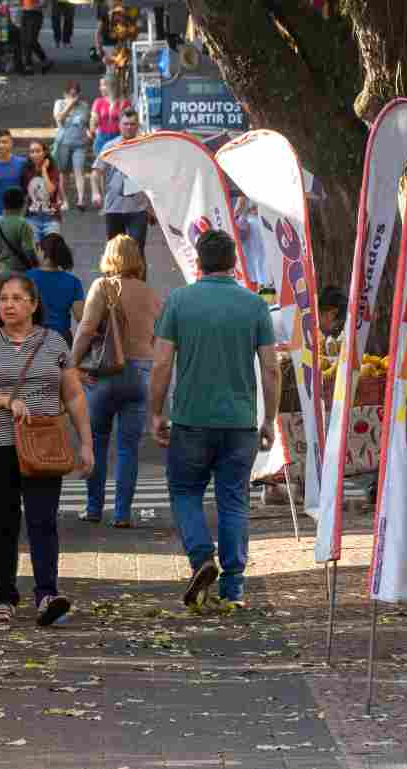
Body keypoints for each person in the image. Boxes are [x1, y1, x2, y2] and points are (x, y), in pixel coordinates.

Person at [149, 230, 279, 607]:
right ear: (234, 262)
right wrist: (268, 418)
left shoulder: (178, 301)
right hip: (240, 422)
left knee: (186, 491)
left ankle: (201, 557)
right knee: (234, 499)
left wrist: (156, 413)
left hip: (191, 419)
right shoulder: (254, 305)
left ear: (198, 262)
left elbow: (160, 364)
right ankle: (234, 587)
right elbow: (271, 367)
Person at [0, 273, 93, 626]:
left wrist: (87, 444)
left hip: (44, 444)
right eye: (4, 298)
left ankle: (47, 593)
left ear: (33, 305)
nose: (9, 304)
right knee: (3, 521)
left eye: (18, 298)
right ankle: (6, 597)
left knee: (43, 520)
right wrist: (4, 400)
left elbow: (74, 395)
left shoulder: (55, 343)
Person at [71, 235, 163, 527]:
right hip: (140, 373)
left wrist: (71, 365)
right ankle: (122, 513)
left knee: (96, 440)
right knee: (128, 448)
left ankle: (94, 508)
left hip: (105, 374)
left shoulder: (103, 286)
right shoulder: (151, 293)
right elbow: (157, 338)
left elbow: (86, 329)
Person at [92, 109, 154, 247]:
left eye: (132, 124)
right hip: (114, 208)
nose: (129, 127)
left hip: (138, 209)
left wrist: (152, 207)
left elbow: (151, 179)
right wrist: (96, 193)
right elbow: (96, 172)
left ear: (138, 125)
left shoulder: (144, 147)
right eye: (125, 124)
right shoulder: (110, 147)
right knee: (115, 251)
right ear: (119, 125)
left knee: (137, 251)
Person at [28, 233, 84, 346]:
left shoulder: (27, 277)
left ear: (42, 252)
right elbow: (80, 317)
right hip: (61, 338)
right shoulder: (73, 281)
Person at [53, 82, 92, 211]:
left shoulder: (84, 106)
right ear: (65, 94)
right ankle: (65, 201)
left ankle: (81, 200)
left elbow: (86, 123)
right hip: (63, 142)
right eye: (70, 94)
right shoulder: (59, 104)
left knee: (79, 171)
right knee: (64, 172)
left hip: (79, 143)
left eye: (76, 94)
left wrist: (89, 132)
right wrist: (69, 105)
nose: (74, 97)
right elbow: (59, 120)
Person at [0, 188, 37, 278]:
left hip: (1, 273)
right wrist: (37, 267)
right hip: (19, 274)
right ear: (22, 204)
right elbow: (30, 252)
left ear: (3, 204)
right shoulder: (23, 224)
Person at [21, 139, 64, 240]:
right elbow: (22, 193)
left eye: (38, 151)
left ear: (44, 152)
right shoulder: (26, 170)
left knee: (52, 247)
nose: (35, 154)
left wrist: (44, 170)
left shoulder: (53, 170)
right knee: (34, 249)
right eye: (32, 152)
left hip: (51, 218)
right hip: (32, 217)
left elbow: (50, 191)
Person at [89, 73, 131, 158]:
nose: (100, 88)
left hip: (118, 138)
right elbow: (93, 121)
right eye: (100, 85)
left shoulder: (124, 103)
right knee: (102, 167)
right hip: (101, 138)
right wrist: (92, 124)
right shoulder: (98, 102)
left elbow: (129, 122)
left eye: (103, 85)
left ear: (112, 85)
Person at [20, 0, 52, 75]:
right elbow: (25, 3)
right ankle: (31, 65)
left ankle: (35, 63)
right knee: (26, 41)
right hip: (25, 15)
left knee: (31, 40)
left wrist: (33, 7)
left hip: (34, 16)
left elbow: (44, 3)